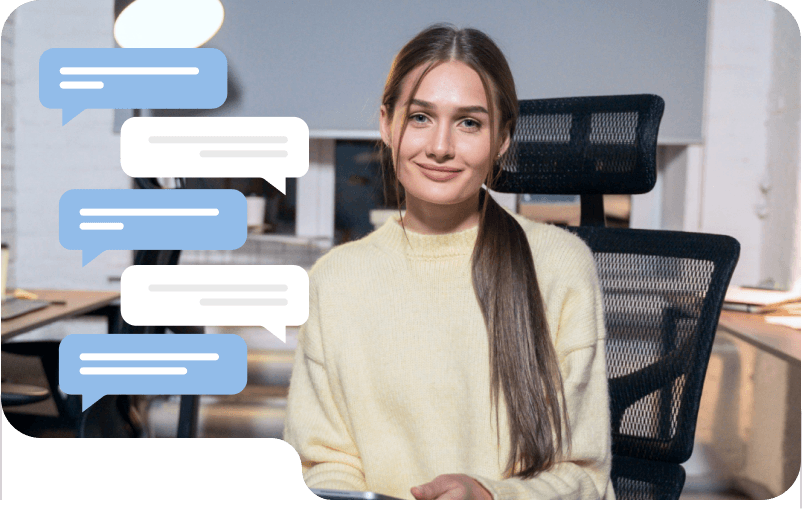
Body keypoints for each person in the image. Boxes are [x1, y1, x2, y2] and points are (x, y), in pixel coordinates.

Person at [283, 23, 614, 500]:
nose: (440, 146)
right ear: (386, 124)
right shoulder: (336, 279)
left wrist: (489, 495)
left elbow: (585, 479)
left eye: (469, 122)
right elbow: (322, 464)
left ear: (502, 138)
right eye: (420, 117)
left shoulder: (560, 268)